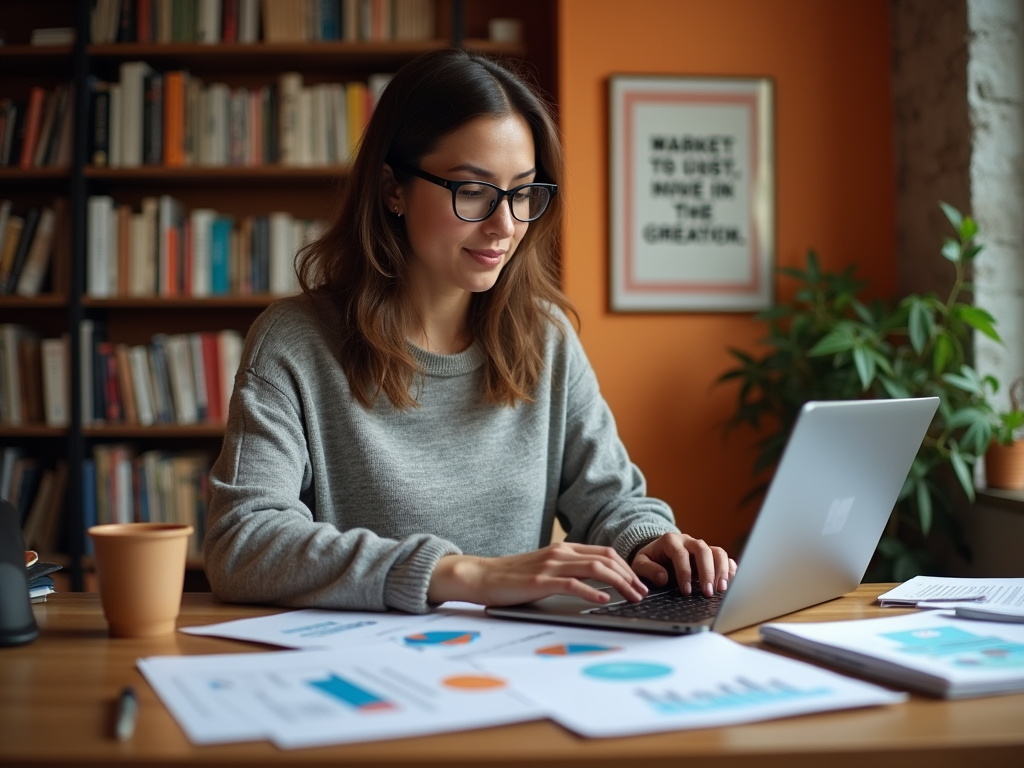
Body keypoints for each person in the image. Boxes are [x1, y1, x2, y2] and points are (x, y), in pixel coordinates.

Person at [203, 48, 737, 614]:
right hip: (367, 676)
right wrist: (464, 575)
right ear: (393, 189)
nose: (505, 225)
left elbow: (612, 501)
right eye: (474, 190)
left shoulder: (545, 336)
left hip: (513, 668)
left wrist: (652, 542)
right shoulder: (294, 342)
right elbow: (243, 543)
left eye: (524, 191)